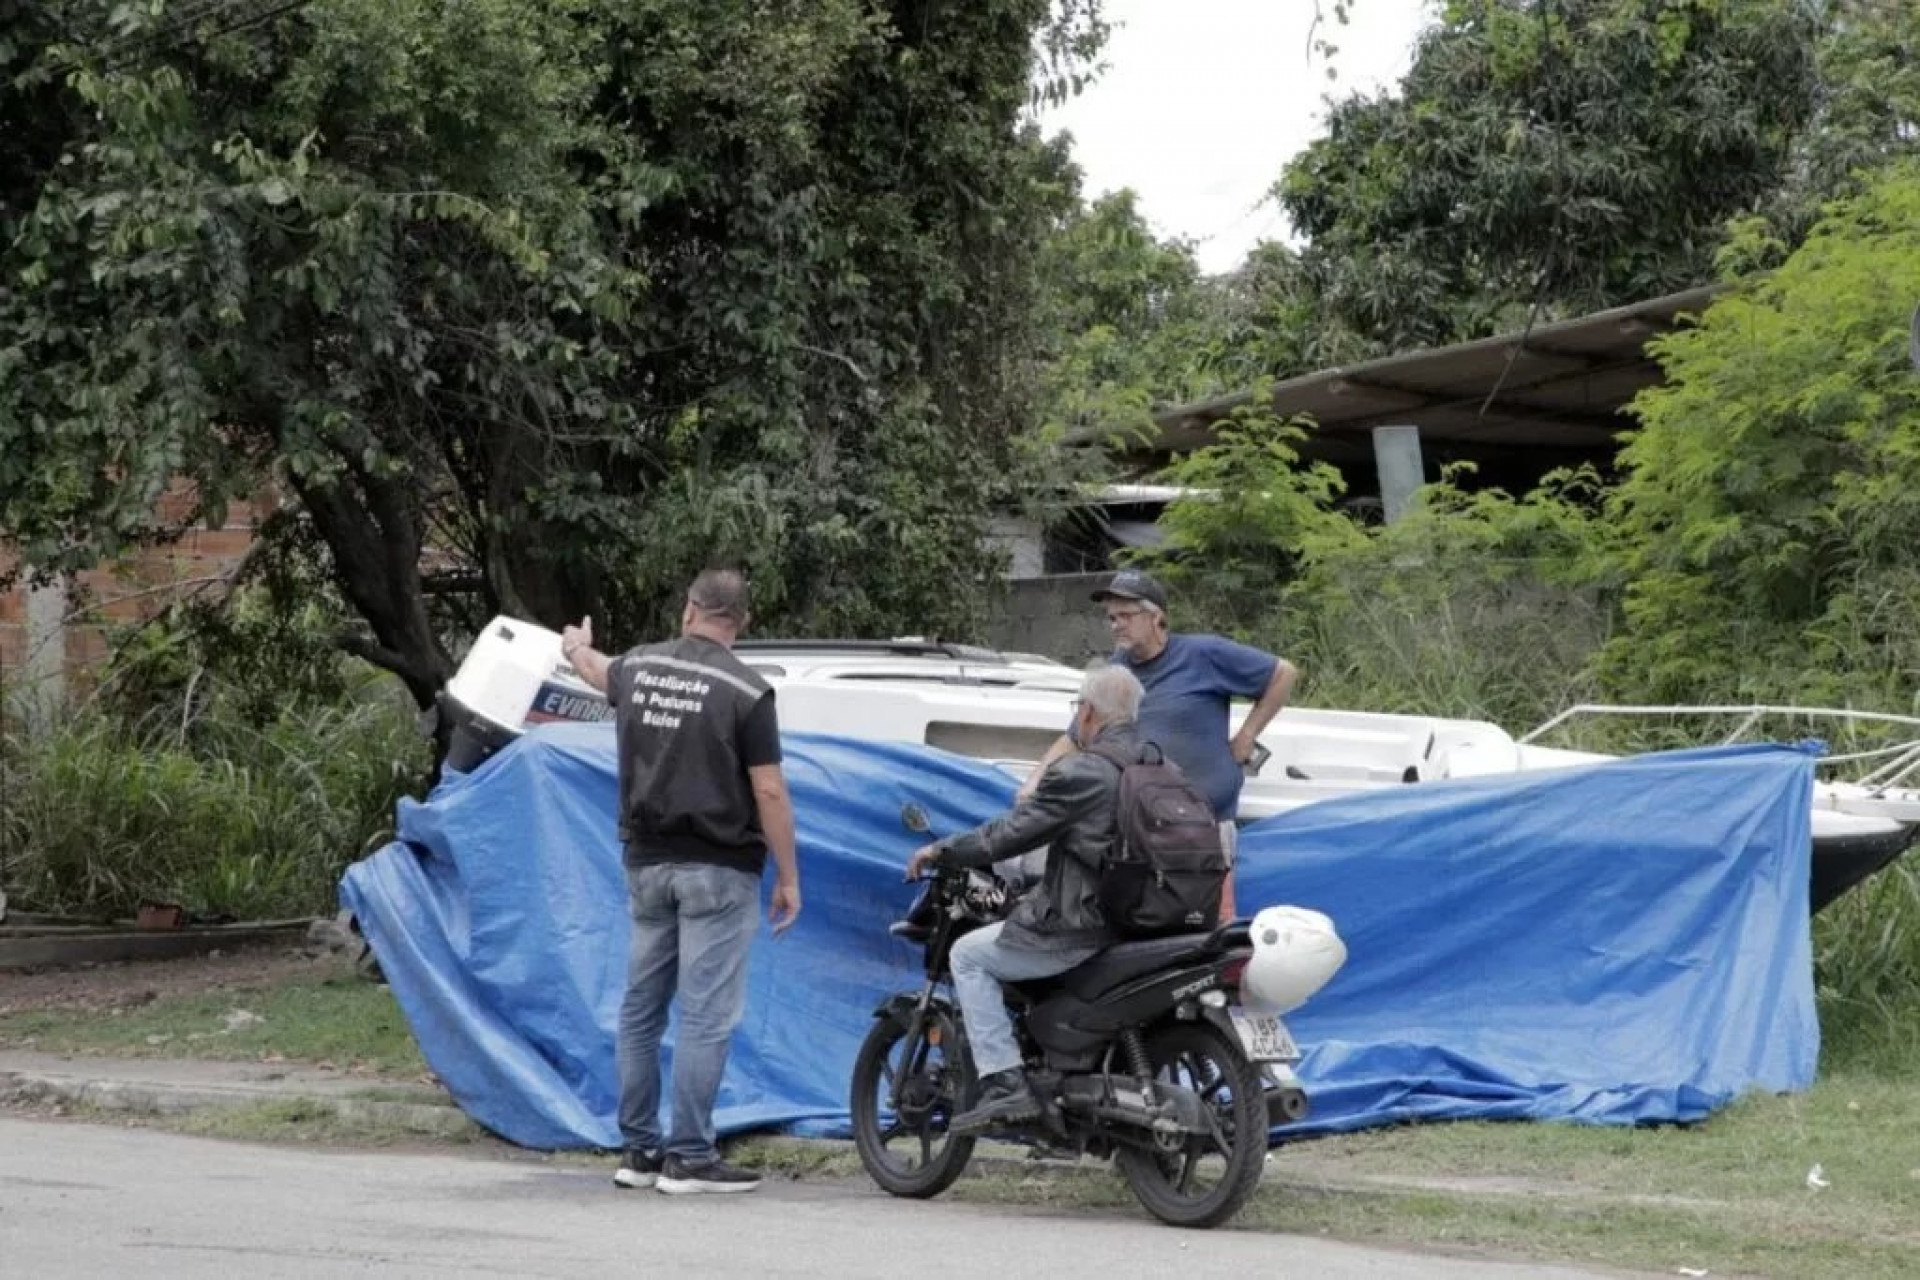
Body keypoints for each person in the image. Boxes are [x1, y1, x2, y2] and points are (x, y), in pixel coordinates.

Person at [562, 569, 802, 1196]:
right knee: (705, 1016)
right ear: (741, 623)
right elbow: (769, 789)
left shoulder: (638, 667)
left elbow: (594, 671)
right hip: (719, 871)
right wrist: (790, 878)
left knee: (641, 1010)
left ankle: (638, 1152)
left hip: (646, 865)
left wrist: (573, 646)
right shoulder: (747, 692)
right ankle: (690, 1155)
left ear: (689, 609)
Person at [903, 664, 1146, 1134]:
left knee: (967, 955)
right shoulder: (1160, 765)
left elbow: (1012, 833)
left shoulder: (1085, 772)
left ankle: (1004, 1082)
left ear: (1089, 712)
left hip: (1083, 926)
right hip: (1141, 924)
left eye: (1077, 709)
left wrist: (941, 849)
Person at [1019, 568, 1297, 920]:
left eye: (1126, 615)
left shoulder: (1203, 654)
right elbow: (1077, 734)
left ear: (1156, 617)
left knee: (1209, 928)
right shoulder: (1117, 671)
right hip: (1142, 830)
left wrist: (1246, 736)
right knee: (1145, 927)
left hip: (1204, 828)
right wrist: (1035, 780)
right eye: (1111, 618)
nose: (1116, 624)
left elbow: (1283, 673)